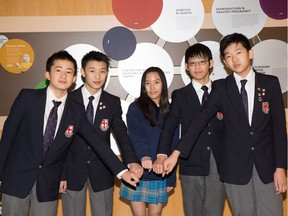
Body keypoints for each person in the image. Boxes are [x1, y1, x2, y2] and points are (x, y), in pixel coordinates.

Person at [0, 50, 139, 216]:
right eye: (58, 70)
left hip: (48, 185)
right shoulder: (28, 97)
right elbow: (8, 137)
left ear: (74, 78)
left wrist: (123, 171)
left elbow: (97, 142)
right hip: (16, 179)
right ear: (47, 74)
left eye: (68, 72)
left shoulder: (75, 112)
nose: (63, 75)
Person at [161, 33, 287, 216]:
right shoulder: (221, 88)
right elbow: (199, 121)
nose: (234, 59)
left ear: (250, 53)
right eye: (228, 56)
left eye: (238, 52)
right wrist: (175, 154)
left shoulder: (270, 83)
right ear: (224, 62)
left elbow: (279, 130)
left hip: (268, 168)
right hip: (235, 169)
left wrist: (281, 167)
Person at [60, 51, 143, 216]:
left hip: (103, 169)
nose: (97, 76)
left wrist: (132, 161)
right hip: (72, 171)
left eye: (102, 71)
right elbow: (59, 143)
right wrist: (61, 174)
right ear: (82, 72)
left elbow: (121, 133)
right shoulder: (67, 99)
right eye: (92, 71)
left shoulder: (112, 102)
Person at [153, 43, 225, 216]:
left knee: (215, 212)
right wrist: (162, 154)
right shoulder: (180, 95)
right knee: (193, 212)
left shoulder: (223, 90)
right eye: (192, 63)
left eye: (201, 62)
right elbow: (169, 127)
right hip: (190, 161)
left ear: (211, 63)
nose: (197, 67)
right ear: (186, 67)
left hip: (220, 162)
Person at [120, 67, 179, 216]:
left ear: (163, 84)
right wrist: (144, 156)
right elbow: (136, 136)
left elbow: (173, 144)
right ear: (143, 86)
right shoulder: (135, 108)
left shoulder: (171, 110)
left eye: (156, 82)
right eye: (147, 83)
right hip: (137, 173)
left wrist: (171, 179)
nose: (152, 87)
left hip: (160, 175)